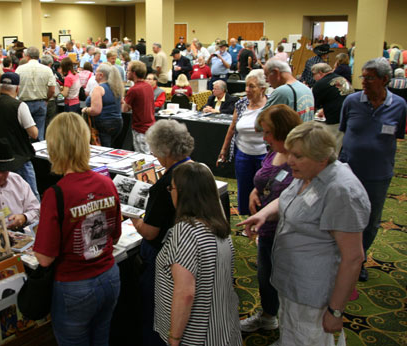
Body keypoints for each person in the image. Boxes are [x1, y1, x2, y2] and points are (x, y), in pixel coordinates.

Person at [239, 121, 371, 345]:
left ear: (322, 158)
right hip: (292, 282)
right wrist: (265, 214)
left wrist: (336, 311)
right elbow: (289, 199)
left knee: (308, 336)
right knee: (292, 330)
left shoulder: (342, 191)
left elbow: (353, 258)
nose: (290, 161)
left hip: (313, 293)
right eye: (290, 153)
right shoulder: (307, 174)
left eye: (298, 156)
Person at [33, 112, 121, 346]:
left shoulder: (56, 194)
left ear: (54, 147)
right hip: (110, 276)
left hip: (74, 286)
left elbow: (44, 258)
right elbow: (116, 233)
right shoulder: (107, 182)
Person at [154, 162, 242, 346]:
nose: (170, 192)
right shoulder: (219, 224)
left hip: (195, 335)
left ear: (185, 193)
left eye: (172, 188)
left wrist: (174, 338)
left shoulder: (185, 231)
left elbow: (185, 293)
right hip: (223, 328)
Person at [339, 58, 407, 282]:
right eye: (363, 77)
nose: (364, 82)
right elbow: (343, 130)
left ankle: (359, 260)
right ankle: (340, 257)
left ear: (385, 80)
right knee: (342, 215)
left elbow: (396, 136)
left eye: (369, 78)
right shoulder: (351, 101)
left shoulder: (399, 105)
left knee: (370, 221)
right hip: (348, 171)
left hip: (379, 174)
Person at [130, 119, 194, 346]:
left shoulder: (165, 185)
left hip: (162, 258)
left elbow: (150, 233)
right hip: (187, 254)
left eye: (155, 150)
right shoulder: (195, 170)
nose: (154, 155)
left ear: (164, 150)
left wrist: (134, 218)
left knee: (155, 313)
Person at [238, 104, 302, 333]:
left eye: (267, 132)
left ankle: (291, 330)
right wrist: (255, 191)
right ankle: (267, 316)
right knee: (266, 276)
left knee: (287, 282)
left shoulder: (300, 157)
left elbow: (297, 197)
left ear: (283, 130)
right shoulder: (274, 149)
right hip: (266, 230)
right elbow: (267, 177)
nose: (264, 137)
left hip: (289, 232)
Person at [0, 72, 40, 201]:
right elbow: (34, 133)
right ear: (17, 88)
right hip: (19, 157)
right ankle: (33, 220)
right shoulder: (19, 106)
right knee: (30, 195)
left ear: (0, 87)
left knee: (5, 195)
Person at [217, 69, 268, 215]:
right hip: (243, 154)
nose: (247, 90)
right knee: (244, 188)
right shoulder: (241, 104)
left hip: (264, 154)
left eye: (252, 86)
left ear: (262, 88)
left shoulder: (270, 103)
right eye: (246, 86)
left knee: (263, 189)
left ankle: (261, 217)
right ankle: (247, 218)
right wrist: (223, 150)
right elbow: (232, 128)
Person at [311, 63, 354, 154]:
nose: (313, 78)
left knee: (333, 146)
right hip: (351, 115)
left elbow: (314, 105)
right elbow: (337, 96)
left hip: (336, 118)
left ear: (320, 72)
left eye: (313, 74)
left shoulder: (320, 84)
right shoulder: (342, 78)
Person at [16, 46, 56, 141]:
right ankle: (38, 152)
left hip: (24, 104)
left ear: (27, 56)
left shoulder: (19, 69)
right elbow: (52, 89)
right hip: (41, 103)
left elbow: (15, 87)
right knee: (39, 132)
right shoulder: (47, 70)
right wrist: (46, 99)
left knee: (25, 132)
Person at [81, 63, 124, 147]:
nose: (94, 74)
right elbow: (122, 102)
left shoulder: (99, 89)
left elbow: (96, 110)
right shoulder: (116, 88)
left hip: (103, 124)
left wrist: (85, 110)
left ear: (101, 75)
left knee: (104, 149)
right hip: (117, 122)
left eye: (96, 72)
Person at [122, 61, 155, 154]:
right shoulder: (148, 86)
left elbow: (124, 109)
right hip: (151, 127)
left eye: (128, 71)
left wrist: (121, 99)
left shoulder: (133, 90)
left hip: (140, 129)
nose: (127, 73)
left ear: (134, 73)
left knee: (143, 158)